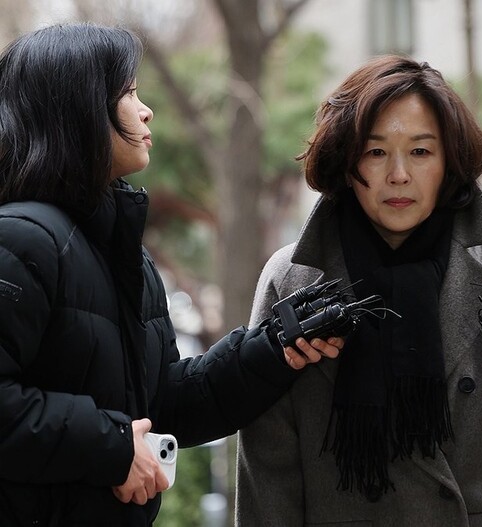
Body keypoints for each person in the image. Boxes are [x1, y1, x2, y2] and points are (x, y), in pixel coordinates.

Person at [0, 23, 342, 526]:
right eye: (128, 93)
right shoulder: (20, 238)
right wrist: (113, 447)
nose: (146, 111)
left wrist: (272, 349)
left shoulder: (120, 253)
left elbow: (161, 404)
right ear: (78, 109)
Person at [235, 55, 482, 526]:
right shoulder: (293, 279)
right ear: (345, 161)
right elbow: (268, 466)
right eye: (375, 152)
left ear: (450, 161)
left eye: (420, 152)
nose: (398, 174)